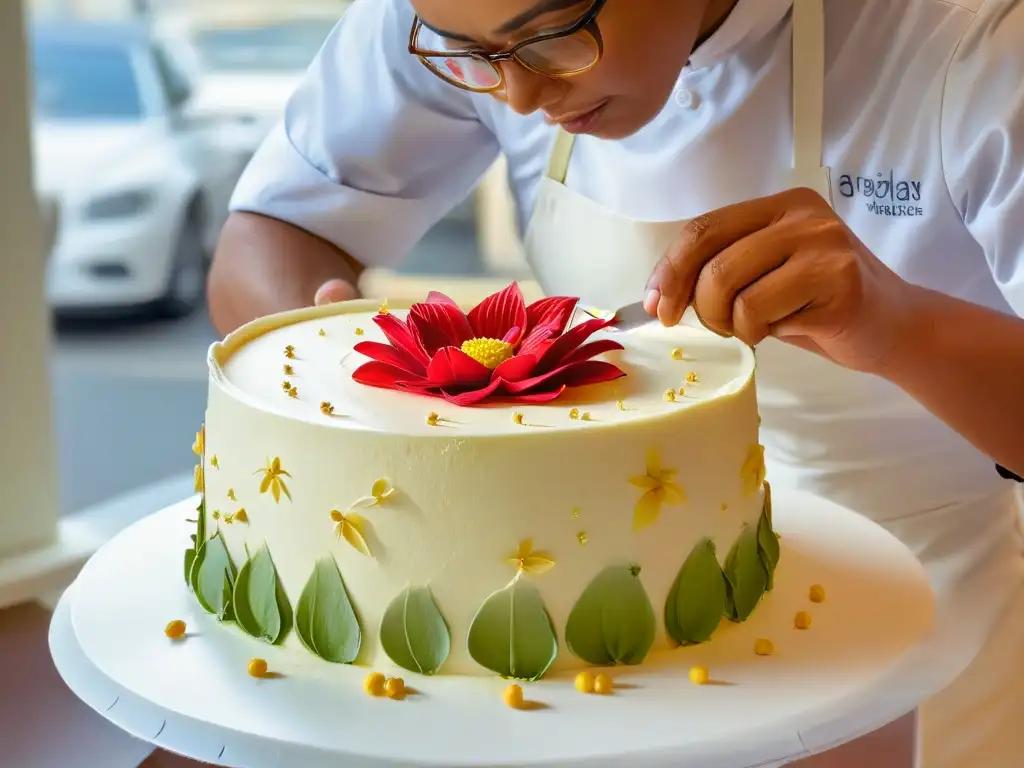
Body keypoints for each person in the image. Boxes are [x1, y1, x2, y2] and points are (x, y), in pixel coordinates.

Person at [208, 0, 1024, 764]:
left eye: (553, 32)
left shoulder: (968, 40)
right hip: (588, 654)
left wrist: (896, 322)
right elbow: (269, 235)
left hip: (925, 606)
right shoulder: (458, 17)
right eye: (476, 55)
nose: (521, 97)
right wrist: (344, 363)